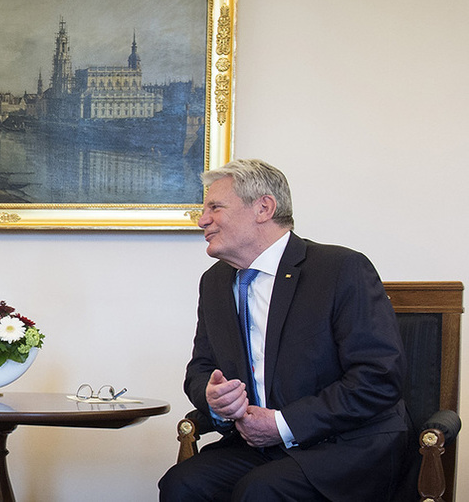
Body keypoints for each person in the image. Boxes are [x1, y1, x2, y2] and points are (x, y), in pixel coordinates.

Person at [159, 159, 408, 502]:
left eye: (215, 207)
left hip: (344, 444)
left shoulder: (340, 269)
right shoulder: (215, 282)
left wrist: (283, 424)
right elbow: (200, 368)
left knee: (261, 490)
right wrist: (214, 400)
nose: (203, 220)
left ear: (263, 207)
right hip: (258, 446)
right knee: (182, 484)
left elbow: (379, 377)